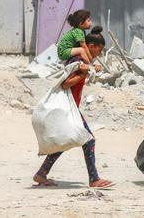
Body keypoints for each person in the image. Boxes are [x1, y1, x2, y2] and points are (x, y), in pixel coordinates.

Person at [33, 26, 113, 188]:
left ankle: (41, 174)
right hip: (68, 108)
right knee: (88, 140)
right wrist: (84, 73)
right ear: (91, 46)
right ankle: (94, 179)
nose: (99, 53)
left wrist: (91, 70)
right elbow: (65, 84)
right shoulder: (77, 61)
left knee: (65, 140)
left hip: (71, 108)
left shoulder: (83, 62)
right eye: (99, 49)